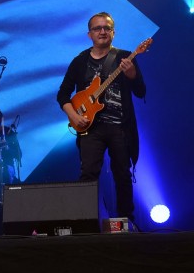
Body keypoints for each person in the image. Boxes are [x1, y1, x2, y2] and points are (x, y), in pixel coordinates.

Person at [56, 12, 146, 221]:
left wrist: (132, 75)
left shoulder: (125, 57)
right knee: (88, 174)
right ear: (90, 34)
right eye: (97, 28)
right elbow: (62, 94)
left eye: (107, 28)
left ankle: (125, 221)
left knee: (122, 174)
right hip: (90, 127)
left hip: (120, 126)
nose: (102, 32)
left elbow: (141, 91)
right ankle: (85, 221)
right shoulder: (79, 61)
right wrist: (73, 116)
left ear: (113, 33)